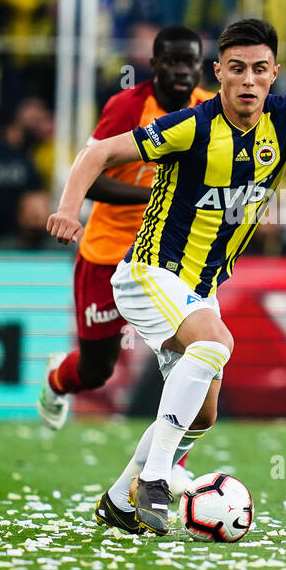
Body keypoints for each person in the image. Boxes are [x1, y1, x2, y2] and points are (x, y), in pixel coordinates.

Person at [47, 18, 286, 536]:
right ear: (219, 74)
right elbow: (97, 152)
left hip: (199, 288)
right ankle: (159, 479)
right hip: (147, 272)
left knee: (202, 415)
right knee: (215, 344)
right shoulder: (192, 125)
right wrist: (70, 210)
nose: (248, 80)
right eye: (236, 69)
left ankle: (121, 499)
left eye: (258, 69)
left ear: (274, 73)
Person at [37, 25, 214, 430]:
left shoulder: (210, 110)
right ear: (154, 65)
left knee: (188, 359)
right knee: (97, 370)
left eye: (190, 61)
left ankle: (165, 467)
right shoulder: (127, 107)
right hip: (108, 253)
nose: (182, 70)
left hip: (169, 260)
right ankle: (57, 379)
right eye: (172, 61)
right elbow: (93, 175)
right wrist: (158, 194)